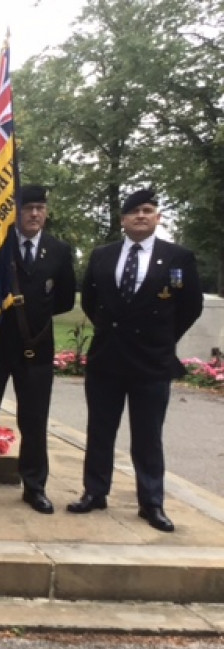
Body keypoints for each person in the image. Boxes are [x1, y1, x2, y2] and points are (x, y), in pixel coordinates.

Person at [68, 189, 203, 532]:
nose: (141, 216)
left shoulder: (178, 257)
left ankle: (151, 503)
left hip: (151, 361)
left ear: (157, 218)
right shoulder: (102, 255)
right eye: (134, 212)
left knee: (147, 435)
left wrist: (161, 337)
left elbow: (190, 306)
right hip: (108, 358)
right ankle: (94, 492)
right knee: (100, 431)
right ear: (122, 220)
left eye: (148, 210)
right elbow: (92, 301)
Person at [0, 185, 77, 514]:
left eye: (40, 208)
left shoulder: (59, 250)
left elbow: (62, 299)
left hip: (35, 350)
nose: (35, 214)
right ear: (14, 211)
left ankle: (34, 486)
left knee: (34, 421)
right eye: (28, 207)